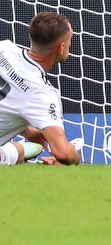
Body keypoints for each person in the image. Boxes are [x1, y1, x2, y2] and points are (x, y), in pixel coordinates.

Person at [0, 12, 81, 166]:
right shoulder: (41, 93)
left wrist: (27, 131)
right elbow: (63, 153)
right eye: (70, 40)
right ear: (61, 47)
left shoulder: (4, 47)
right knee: (14, 153)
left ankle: (21, 150)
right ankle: (20, 151)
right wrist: (75, 159)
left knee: (17, 151)